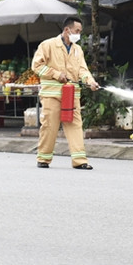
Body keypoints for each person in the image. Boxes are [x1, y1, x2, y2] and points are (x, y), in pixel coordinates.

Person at [32, 17, 100, 170]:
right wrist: (56, 74)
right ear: (67, 30)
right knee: (50, 126)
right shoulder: (48, 45)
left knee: (75, 125)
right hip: (52, 95)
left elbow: (82, 70)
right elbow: (36, 66)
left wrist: (90, 81)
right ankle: (43, 158)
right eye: (77, 31)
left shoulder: (77, 50)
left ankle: (79, 161)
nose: (79, 34)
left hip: (72, 95)